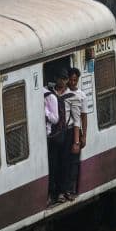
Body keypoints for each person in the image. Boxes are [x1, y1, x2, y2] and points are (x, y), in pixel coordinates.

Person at [45, 70, 71, 203]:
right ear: (56, 78)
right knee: (52, 164)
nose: (63, 81)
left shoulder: (71, 94)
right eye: (61, 78)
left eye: (65, 79)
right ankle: (51, 192)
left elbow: (77, 115)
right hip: (52, 133)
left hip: (66, 132)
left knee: (64, 163)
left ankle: (61, 191)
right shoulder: (49, 94)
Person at [62, 67, 87, 200]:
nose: (72, 83)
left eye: (75, 80)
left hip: (74, 131)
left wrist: (81, 138)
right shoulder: (63, 93)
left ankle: (70, 189)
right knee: (66, 161)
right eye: (70, 80)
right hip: (66, 132)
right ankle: (65, 189)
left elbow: (82, 118)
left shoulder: (80, 95)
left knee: (74, 162)